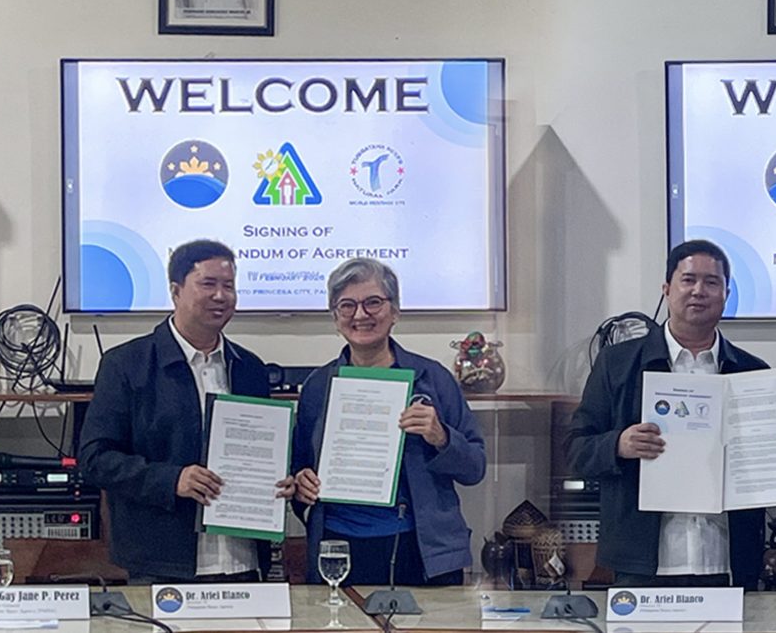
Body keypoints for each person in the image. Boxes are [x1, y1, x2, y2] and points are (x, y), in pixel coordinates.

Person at [566, 239, 776, 588]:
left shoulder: (753, 374)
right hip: (642, 563)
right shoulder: (617, 364)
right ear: (667, 289)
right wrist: (618, 444)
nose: (699, 291)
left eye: (712, 282)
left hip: (725, 562)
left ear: (726, 294)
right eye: (688, 279)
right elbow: (576, 450)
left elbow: (775, 484)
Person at [79, 239, 294, 583]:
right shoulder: (127, 364)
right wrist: (172, 479)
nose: (221, 296)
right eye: (208, 284)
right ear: (176, 291)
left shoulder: (249, 368)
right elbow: (94, 459)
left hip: (243, 562)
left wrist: (283, 480)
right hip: (162, 566)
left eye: (229, 286)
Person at [291, 258, 486, 586]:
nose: (360, 314)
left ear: (395, 311)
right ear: (335, 317)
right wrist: (302, 483)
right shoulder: (317, 386)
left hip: (421, 550)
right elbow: (298, 470)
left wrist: (440, 436)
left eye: (373, 302)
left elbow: (475, 468)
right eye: (347, 305)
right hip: (338, 547)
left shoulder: (433, 379)